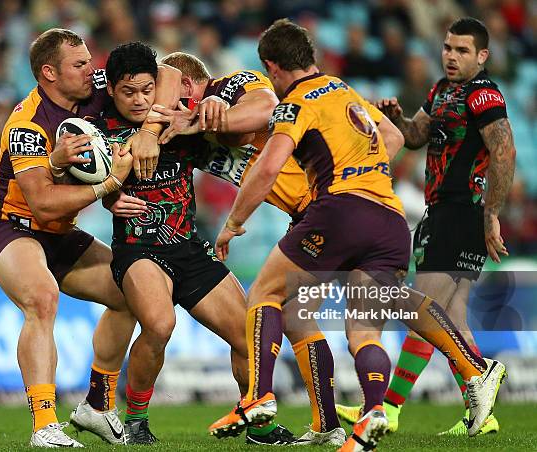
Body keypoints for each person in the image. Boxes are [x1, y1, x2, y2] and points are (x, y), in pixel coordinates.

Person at [208, 19, 506, 451]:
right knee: (364, 330)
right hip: (387, 218)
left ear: (272, 68)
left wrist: (234, 222)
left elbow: (269, 166)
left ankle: (258, 397)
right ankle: (375, 412)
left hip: (339, 211)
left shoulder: (294, 102)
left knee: (266, 294)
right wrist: (366, 177)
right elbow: (392, 133)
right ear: (310, 57)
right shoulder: (341, 89)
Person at [0, 28, 179, 448]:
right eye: (80, 64)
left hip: (61, 235)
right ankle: (44, 424)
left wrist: (147, 133)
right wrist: (108, 187)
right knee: (42, 299)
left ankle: (97, 406)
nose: (92, 69)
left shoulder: (95, 87)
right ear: (50, 73)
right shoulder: (27, 125)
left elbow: (169, 73)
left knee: (130, 293)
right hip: (11, 228)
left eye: (90, 60)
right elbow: (44, 204)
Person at [93, 42, 295, 446]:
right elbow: (82, 179)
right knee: (160, 323)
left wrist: (206, 116)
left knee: (246, 333)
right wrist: (108, 191)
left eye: (146, 90)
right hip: (139, 247)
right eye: (128, 92)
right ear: (112, 90)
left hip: (188, 245)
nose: (139, 100)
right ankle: (135, 419)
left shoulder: (178, 118)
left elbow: (249, 120)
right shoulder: (99, 129)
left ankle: (256, 418)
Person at [145, 51, 346, 446]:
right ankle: (326, 426)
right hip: (312, 212)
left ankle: (262, 404)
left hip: (328, 202)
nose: (159, 103)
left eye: (162, 91)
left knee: (265, 303)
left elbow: (266, 109)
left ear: (185, 85)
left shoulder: (233, 84)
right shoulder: (185, 132)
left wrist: (207, 110)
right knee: (301, 315)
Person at [337, 17, 516, 436]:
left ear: (482, 56)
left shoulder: (483, 93)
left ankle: (390, 407)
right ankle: (481, 413)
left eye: (462, 51)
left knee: (425, 312)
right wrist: (399, 119)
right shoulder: (441, 90)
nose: (451, 56)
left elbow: (504, 150)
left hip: (460, 210)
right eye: (448, 48)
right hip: (446, 210)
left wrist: (491, 213)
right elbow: (417, 136)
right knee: (452, 317)